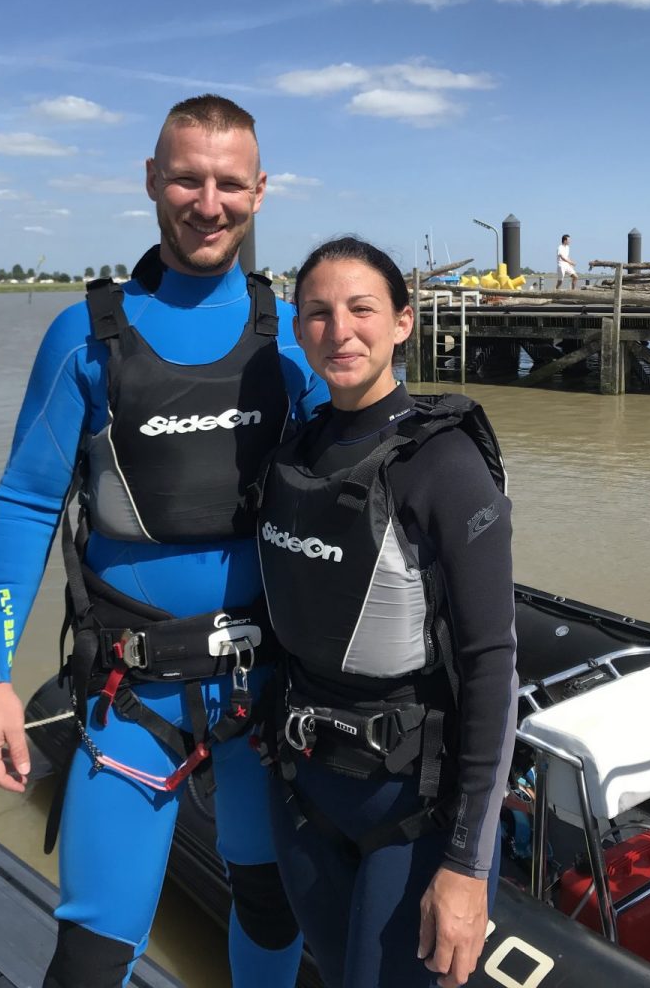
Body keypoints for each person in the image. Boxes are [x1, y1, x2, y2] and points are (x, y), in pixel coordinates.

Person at [0, 95, 328, 988]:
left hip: (266, 690)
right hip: (131, 696)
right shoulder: (86, 337)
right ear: (151, 181)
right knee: (93, 954)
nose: (209, 203)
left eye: (229, 183)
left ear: (260, 191)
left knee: (273, 910)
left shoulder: (292, 338)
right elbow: (23, 505)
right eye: (187, 178)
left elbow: (362, 496)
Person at [256, 237, 517, 988]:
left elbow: (493, 663)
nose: (341, 330)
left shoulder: (444, 464)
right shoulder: (293, 456)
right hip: (304, 788)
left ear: (403, 323)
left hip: (411, 806)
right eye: (318, 312)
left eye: (362, 309)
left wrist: (467, 864)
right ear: (299, 329)